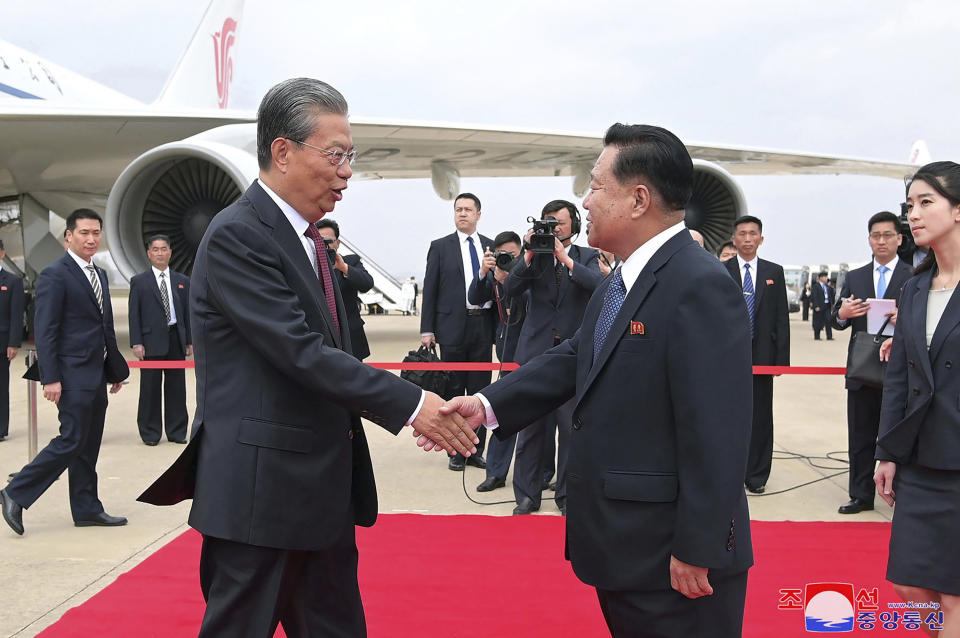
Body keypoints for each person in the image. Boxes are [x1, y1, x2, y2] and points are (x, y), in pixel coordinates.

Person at [137, 78, 478, 637]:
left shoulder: (309, 238)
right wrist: (413, 403)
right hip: (261, 497)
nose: (347, 171)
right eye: (336, 154)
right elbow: (302, 353)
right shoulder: (238, 236)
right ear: (282, 151)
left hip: (319, 494)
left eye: (351, 155)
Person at [426, 123, 754, 637]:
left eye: (596, 186)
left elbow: (719, 431)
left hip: (675, 562)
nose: (585, 199)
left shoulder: (699, 284)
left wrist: (699, 547)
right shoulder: (623, 279)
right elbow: (574, 357)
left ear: (639, 198)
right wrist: (485, 405)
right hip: (627, 549)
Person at [0, 208, 128, 535]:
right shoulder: (55, 274)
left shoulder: (98, 274)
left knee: (88, 443)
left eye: (95, 233)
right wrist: (51, 377)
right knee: (71, 439)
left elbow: (104, 327)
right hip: (70, 374)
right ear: (68, 236)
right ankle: (16, 493)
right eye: (84, 232)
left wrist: (113, 368)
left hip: (96, 372)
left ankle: (86, 508)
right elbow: (45, 330)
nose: (91, 238)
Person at [875, 161, 960, 635]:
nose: (914, 214)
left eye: (926, 202)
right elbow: (897, 382)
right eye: (910, 205)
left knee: (954, 594)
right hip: (920, 461)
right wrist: (887, 452)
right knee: (910, 586)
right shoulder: (913, 290)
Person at [503, 200, 602, 515]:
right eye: (549, 223)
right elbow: (512, 289)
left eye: (560, 223)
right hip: (535, 352)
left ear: (573, 222)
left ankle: (567, 495)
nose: (555, 229)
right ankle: (527, 496)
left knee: (571, 427)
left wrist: (565, 259)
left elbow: (601, 287)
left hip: (574, 353)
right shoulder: (535, 257)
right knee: (530, 427)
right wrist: (531, 255)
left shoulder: (587, 256)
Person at [831, 211, 912, 515]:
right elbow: (836, 320)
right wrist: (843, 314)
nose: (881, 241)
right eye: (876, 235)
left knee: (899, 433)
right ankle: (861, 494)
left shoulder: (914, 276)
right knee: (861, 434)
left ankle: (901, 493)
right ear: (869, 240)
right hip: (863, 367)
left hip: (900, 368)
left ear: (899, 239)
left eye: (888, 235)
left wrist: (904, 318)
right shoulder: (856, 276)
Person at [420, 192, 495, 471]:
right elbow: (430, 290)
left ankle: (475, 450)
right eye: (458, 209)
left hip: (482, 325)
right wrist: (427, 329)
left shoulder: (489, 246)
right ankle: (455, 451)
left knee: (481, 393)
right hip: (451, 327)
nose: (462, 213)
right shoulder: (440, 246)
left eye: (467, 209)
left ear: (478, 214)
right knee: (453, 391)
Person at [725, 215, 790, 494]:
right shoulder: (721, 270)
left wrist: (781, 361)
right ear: (734, 238)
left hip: (762, 356)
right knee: (728, 414)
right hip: (728, 357)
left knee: (761, 416)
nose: (748, 239)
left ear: (761, 239)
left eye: (753, 234)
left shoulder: (773, 272)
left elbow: (781, 318)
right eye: (743, 234)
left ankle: (757, 476)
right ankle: (729, 472)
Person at [468, 231, 527, 492]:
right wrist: (484, 272)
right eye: (502, 255)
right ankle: (496, 472)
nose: (507, 260)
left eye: (512, 255)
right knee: (502, 415)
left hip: (531, 354)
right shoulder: (495, 276)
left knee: (541, 424)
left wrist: (511, 280)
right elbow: (474, 297)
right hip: (506, 356)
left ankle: (546, 473)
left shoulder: (531, 273)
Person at [128, 234, 192, 445]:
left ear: (170, 252)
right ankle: (150, 432)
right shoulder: (139, 282)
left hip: (175, 339)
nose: (160, 253)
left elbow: (187, 314)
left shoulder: (182, 281)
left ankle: (176, 431)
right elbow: (133, 314)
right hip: (150, 342)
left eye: (164, 249)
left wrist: (189, 341)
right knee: (150, 389)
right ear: (149, 253)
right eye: (155, 249)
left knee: (177, 389)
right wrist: (136, 342)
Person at [315, 218, 375, 360]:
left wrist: (343, 268)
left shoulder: (350, 261)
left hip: (350, 336)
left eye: (328, 241)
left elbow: (367, 283)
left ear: (338, 243)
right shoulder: (308, 265)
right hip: (321, 338)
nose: (325, 246)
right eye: (320, 241)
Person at [0, 240, 25, 442]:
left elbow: (17, 315)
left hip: (2, 343)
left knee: (1, 387)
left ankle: (0, 428)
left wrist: (13, 343)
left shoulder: (13, 281)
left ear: (2, 253)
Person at [811, 271, 835, 340]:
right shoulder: (816, 286)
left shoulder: (828, 287)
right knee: (818, 321)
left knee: (828, 321)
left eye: (826, 277)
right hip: (819, 306)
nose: (826, 278)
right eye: (825, 277)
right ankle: (817, 336)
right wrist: (816, 306)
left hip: (827, 306)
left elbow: (831, 295)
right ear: (821, 278)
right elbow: (814, 296)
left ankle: (829, 336)